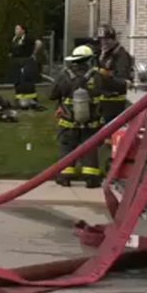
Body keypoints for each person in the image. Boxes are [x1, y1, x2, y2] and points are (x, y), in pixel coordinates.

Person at [50, 45, 104, 188]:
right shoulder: (96, 75)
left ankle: (65, 177)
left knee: (66, 147)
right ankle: (91, 178)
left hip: (68, 122)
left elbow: (52, 94)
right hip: (91, 122)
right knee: (90, 148)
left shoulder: (65, 75)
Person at [96, 24, 133, 125]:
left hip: (115, 103)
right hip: (103, 100)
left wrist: (105, 74)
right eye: (101, 40)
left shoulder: (121, 56)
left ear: (114, 39)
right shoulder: (104, 53)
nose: (104, 43)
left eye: (107, 40)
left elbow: (123, 81)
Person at [10, 24, 40, 106]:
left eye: (17, 29)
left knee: (26, 79)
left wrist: (33, 54)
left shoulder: (28, 38)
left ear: (23, 30)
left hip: (26, 60)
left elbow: (38, 43)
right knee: (17, 80)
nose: (15, 30)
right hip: (16, 61)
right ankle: (19, 97)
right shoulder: (15, 39)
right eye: (15, 29)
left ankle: (31, 98)